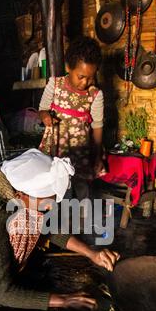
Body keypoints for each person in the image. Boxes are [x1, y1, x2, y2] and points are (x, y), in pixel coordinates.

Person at [0, 149, 119, 311]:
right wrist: (63, 300)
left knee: (33, 217)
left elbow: (46, 226)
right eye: (48, 201)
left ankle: (8, 271)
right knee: (26, 224)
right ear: (20, 195)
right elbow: (0, 293)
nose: (51, 207)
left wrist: (91, 253)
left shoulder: (5, 189)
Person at [38, 36, 104, 200]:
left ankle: (82, 220)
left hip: (80, 150)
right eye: (81, 76)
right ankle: (58, 218)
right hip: (55, 147)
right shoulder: (54, 84)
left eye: (90, 77)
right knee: (56, 186)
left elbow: (97, 125)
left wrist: (97, 156)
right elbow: (42, 109)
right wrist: (45, 116)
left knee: (81, 187)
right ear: (68, 67)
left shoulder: (95, 94)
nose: (85, 82)